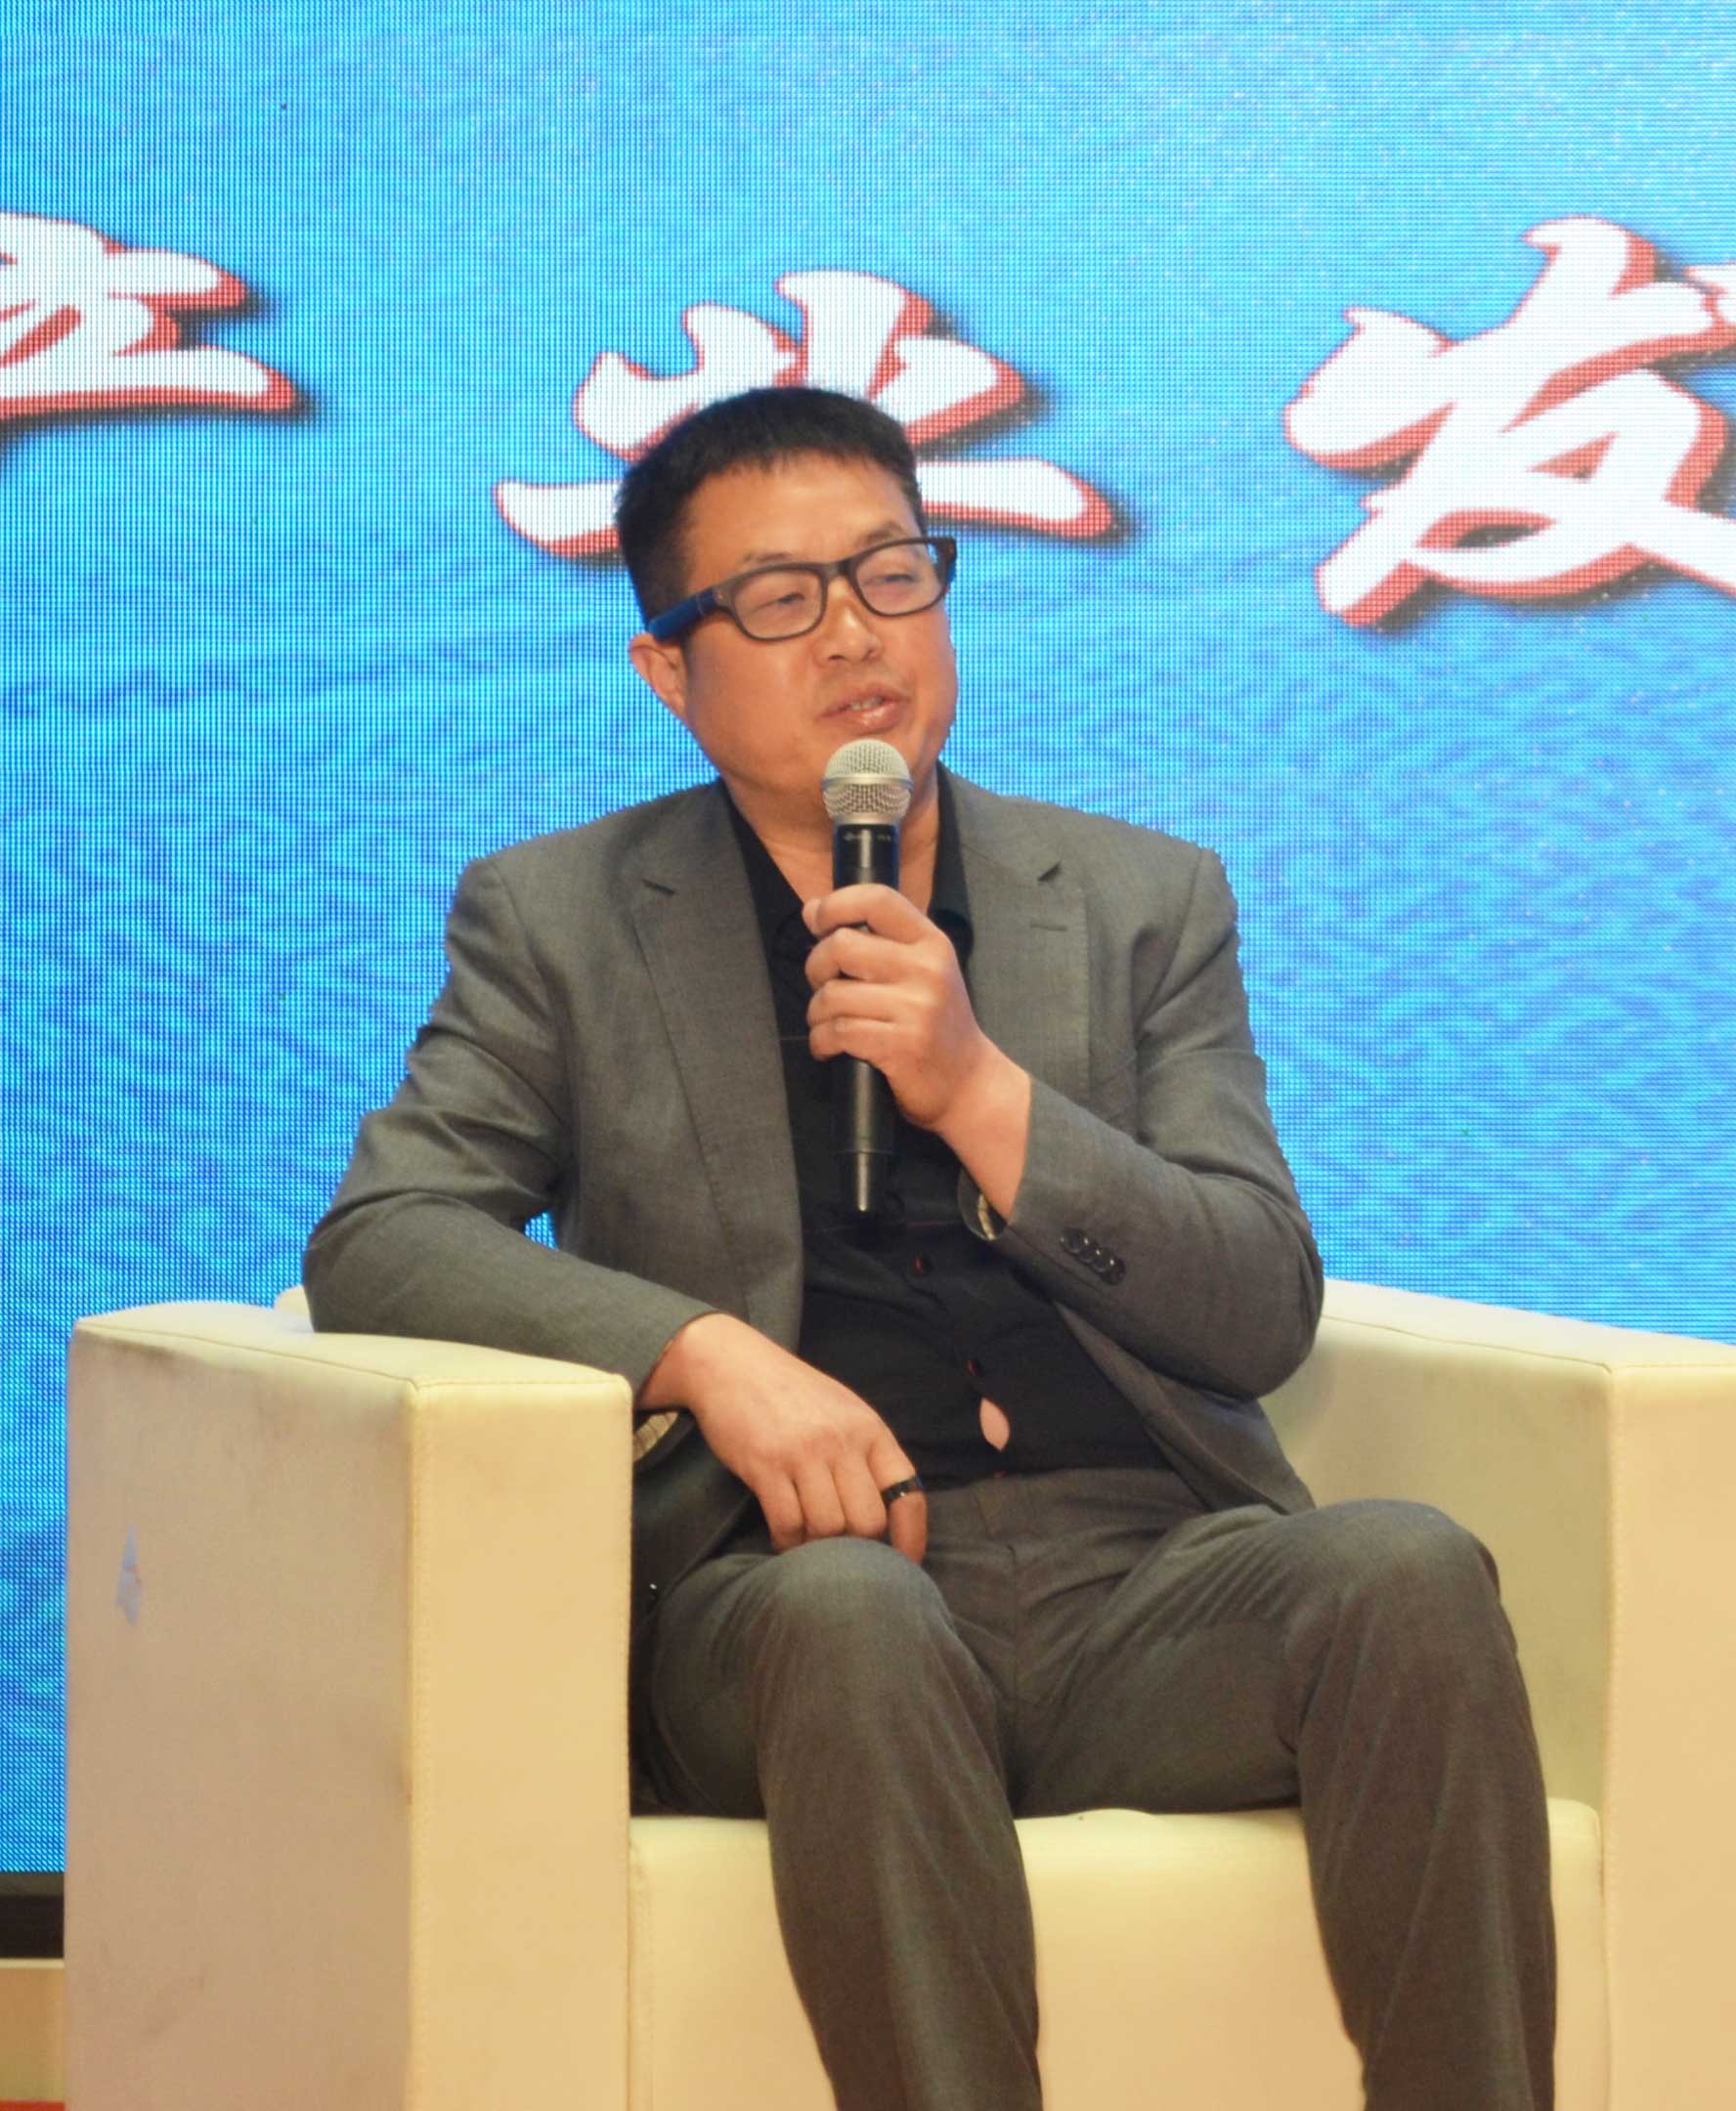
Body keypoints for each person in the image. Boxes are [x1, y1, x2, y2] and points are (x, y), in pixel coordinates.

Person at [304, 385, 1555, 2110]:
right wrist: (707, 1359)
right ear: (669, 669)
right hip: (792, 1598)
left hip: (1140, 1584)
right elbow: (386, 1234)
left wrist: (978, 1089)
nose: (853, 635)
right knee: (855, 1618)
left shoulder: (1140, 901)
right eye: (780, 599)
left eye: (891, 574)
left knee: (1405, 1572)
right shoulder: (563, 918)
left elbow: (1259, 1304)